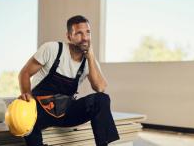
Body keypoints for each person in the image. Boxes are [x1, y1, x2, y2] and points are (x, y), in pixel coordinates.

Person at [18, 15, 119, 146]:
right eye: (79, 33)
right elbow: (24, 73)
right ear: (69, 36)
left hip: (66, 110)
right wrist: (27, 96)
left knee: (101, 99)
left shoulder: (89, 60)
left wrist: (91, 57)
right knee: (25, 117)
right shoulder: (52, 49)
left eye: (88, 32)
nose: (85, 38)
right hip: (40, 111)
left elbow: (100, 88)